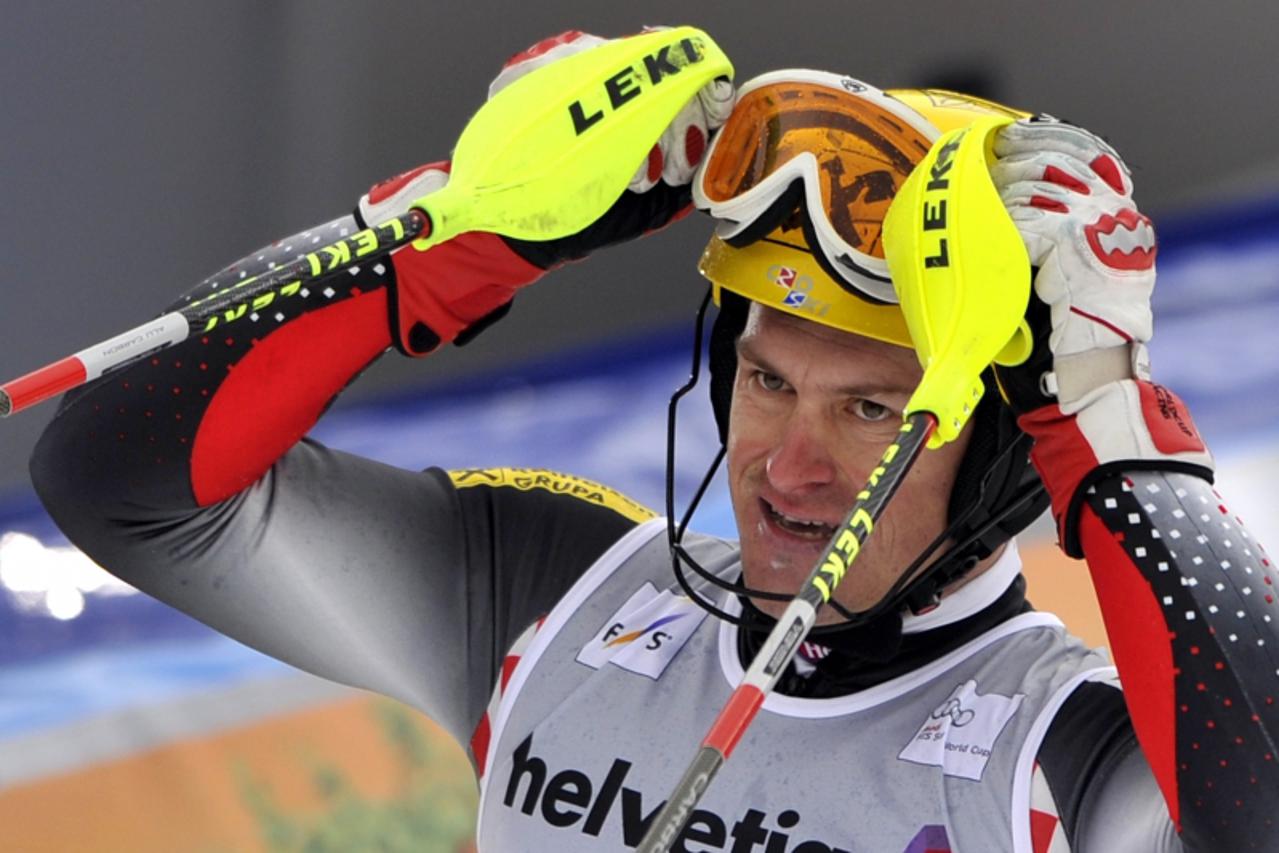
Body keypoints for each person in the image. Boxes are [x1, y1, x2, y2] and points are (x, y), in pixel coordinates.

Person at [28, 30, 1278, 852]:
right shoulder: (556, 592)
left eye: (870, 411)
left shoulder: (1059, 748)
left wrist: (1105, 406)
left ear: (1007, 445)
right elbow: (120, 474)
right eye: (764, 378)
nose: (787, 468)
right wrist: (465, 232)